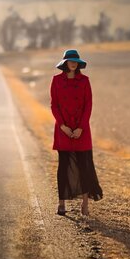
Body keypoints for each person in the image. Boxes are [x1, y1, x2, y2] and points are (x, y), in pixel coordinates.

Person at [50, 49, 103, 216]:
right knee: (63, 166)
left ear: (78, 63)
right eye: (70, 60)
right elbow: (54, 105)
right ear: (65, 63)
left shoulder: (85, 81)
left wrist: (80, 127)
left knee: (84, 167)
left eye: (76, 61)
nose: (73, 63)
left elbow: (88, 106)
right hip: (63, 129)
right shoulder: (56, 81)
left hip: (82, 130)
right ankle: (61, 204)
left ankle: (85, 205)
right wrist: (62, 126)